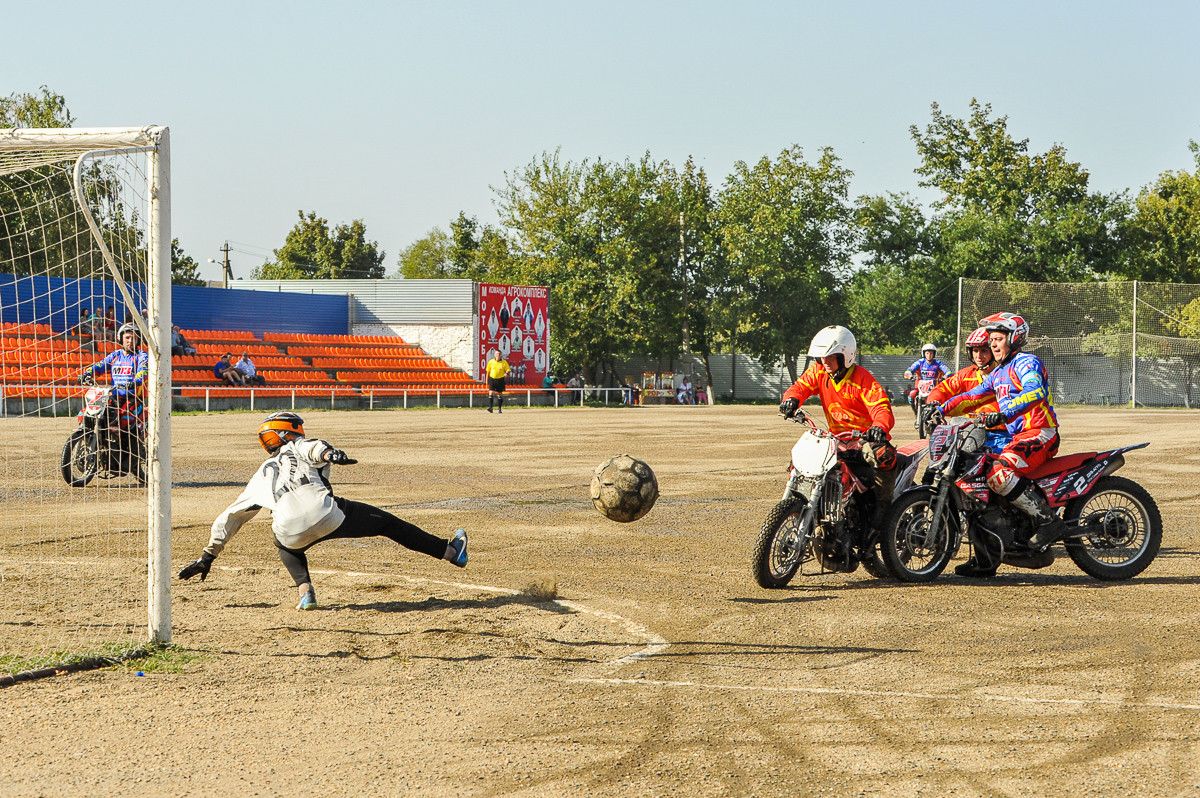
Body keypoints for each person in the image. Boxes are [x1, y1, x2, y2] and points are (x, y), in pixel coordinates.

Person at [176, 412, 469, 610]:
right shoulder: (298, 446)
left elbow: (231, 517)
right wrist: (332, 454)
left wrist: (208, 556)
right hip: (327, 513)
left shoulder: (259, 476)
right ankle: (452, 552)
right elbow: (313, 448)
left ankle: (305, 594)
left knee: (283, 542)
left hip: (289, 530)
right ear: (289, 433)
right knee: (389, 525)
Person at [940, 312, 1064, 577]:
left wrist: (1005, 412)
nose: (993, 344)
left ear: (1014, 338)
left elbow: (1035, 390)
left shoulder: (1025, 362)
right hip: (1019, 437)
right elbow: (971, 396)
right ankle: (988, 557)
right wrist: (939, 409)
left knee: (1000, 473)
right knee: (974, 480)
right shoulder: (999, 373)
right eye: (991, 339)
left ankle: (1047, 521)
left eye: (998, 339)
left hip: (1039, 432)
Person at [778, 325, 897, 523]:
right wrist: (791, 399)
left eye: (830, 357)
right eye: (821, 357)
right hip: (836, 440)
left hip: (864, 439)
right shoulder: (819, 371)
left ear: (845, 356)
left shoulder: (862, 379)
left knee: (882, 455)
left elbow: (881, 408)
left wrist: (878, 427)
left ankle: (884, 513)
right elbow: (800, 387)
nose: (824, 362)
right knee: (801, 462)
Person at [80, 321, 149, 446]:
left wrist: (135, 381)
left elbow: (143, 371)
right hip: (113, 396)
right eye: (127, 338)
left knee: (126, 425)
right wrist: (88, 373)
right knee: (89, 413)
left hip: (133, 399)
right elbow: (99, 366)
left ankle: (132, 452)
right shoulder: (115, 356)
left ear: (138, 340)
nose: (130, 341)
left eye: (134, 338)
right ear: (120, 339)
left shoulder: (142, 356)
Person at [903, 343, 950, 415]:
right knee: (912, 394)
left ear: (934, 354)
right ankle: (915, 412)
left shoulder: (938, 363)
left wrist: (946, 375)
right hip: (920, 387)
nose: (929, 355)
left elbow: (948, 371)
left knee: (943, 397)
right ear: (924, 354)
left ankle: (939, 415)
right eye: (927, 353)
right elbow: (910, 369)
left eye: (931, 353)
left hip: (934, 388)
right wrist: (909, 374)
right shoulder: (919, 362)